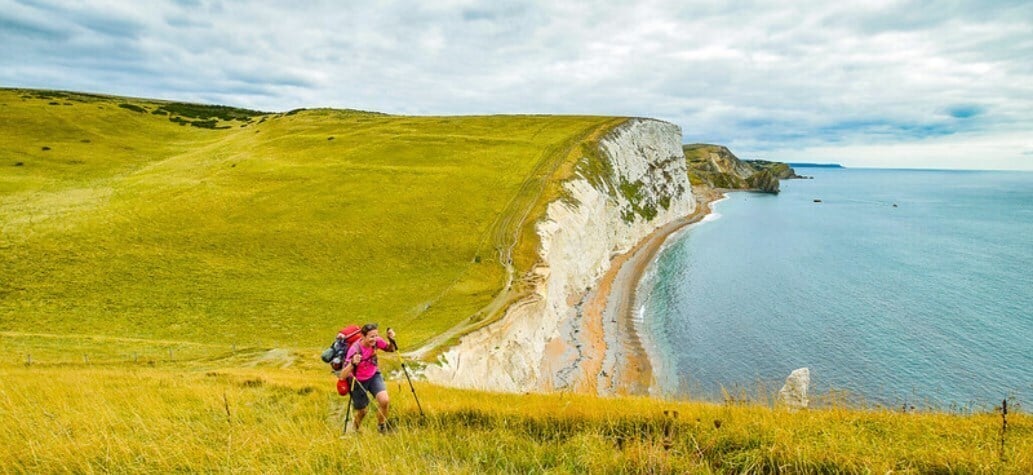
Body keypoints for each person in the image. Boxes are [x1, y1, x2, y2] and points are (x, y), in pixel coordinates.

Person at [340, 323, 397, 433]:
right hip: (357, 381)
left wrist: (391, 339)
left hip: (373, 375)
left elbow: (391, 349)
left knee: (385, 401)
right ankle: (355, 429)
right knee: (363, 411)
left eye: (376, 335)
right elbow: (343, 375)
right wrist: (352, 363)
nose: (375, 339)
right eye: (371, 336)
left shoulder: (376, 342)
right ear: (363, 336)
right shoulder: (354, 350)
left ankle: (381, 427)